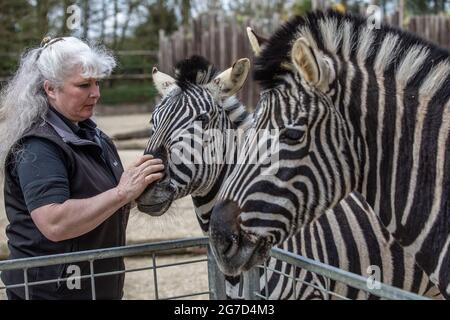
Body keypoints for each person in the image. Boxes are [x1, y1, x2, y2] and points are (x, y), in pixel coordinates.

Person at [0, 37, 164, 300]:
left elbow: (102, 201)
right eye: (83, 85)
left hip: (95, 288)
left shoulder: (92, 135)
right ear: (50, 89)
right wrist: (122, 193)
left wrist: (136, 188)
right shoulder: (38, 146)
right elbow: (55, 222)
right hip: (52, 293)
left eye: (97, 82)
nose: (96, 93)